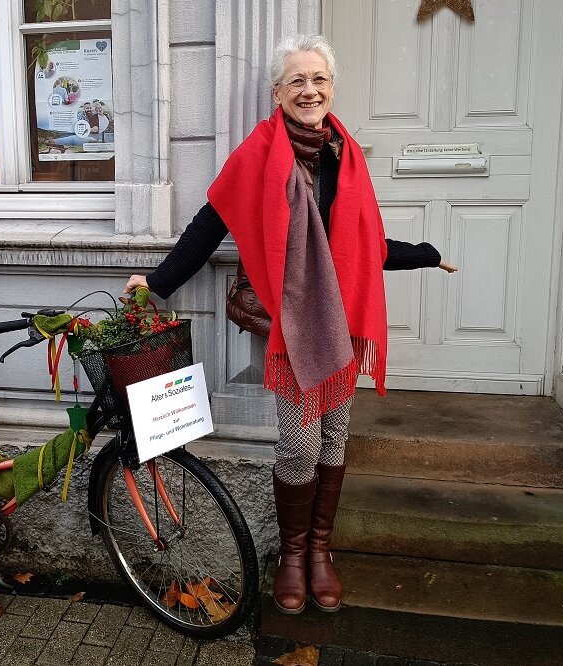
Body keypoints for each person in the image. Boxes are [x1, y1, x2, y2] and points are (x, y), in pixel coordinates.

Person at [125, 34, 456, 615]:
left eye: (319, 80)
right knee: (299, 444)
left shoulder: (344, 154)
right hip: (294, 324)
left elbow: (364, 244)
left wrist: (424, 253)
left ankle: (319, 552)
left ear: (332, 87)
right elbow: (210, 222)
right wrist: (158, 283)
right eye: (297, 81)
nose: (310, 90)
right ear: (278, 91)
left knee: (334, 439)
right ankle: (291, 556)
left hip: (342, 320)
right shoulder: (258, 154)